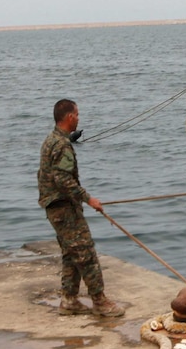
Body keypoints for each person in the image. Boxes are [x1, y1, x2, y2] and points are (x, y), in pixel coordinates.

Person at [38, 99, 125, 317]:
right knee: (85, 253)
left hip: (56, 208)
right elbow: (62, 179)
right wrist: (89, 199)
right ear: (69, 117)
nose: (78, 118)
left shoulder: (51, 140)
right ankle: (100, 301)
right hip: (63, 208)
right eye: (77, 114)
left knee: (71, 253)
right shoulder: (62, 145)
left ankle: (69, 300)